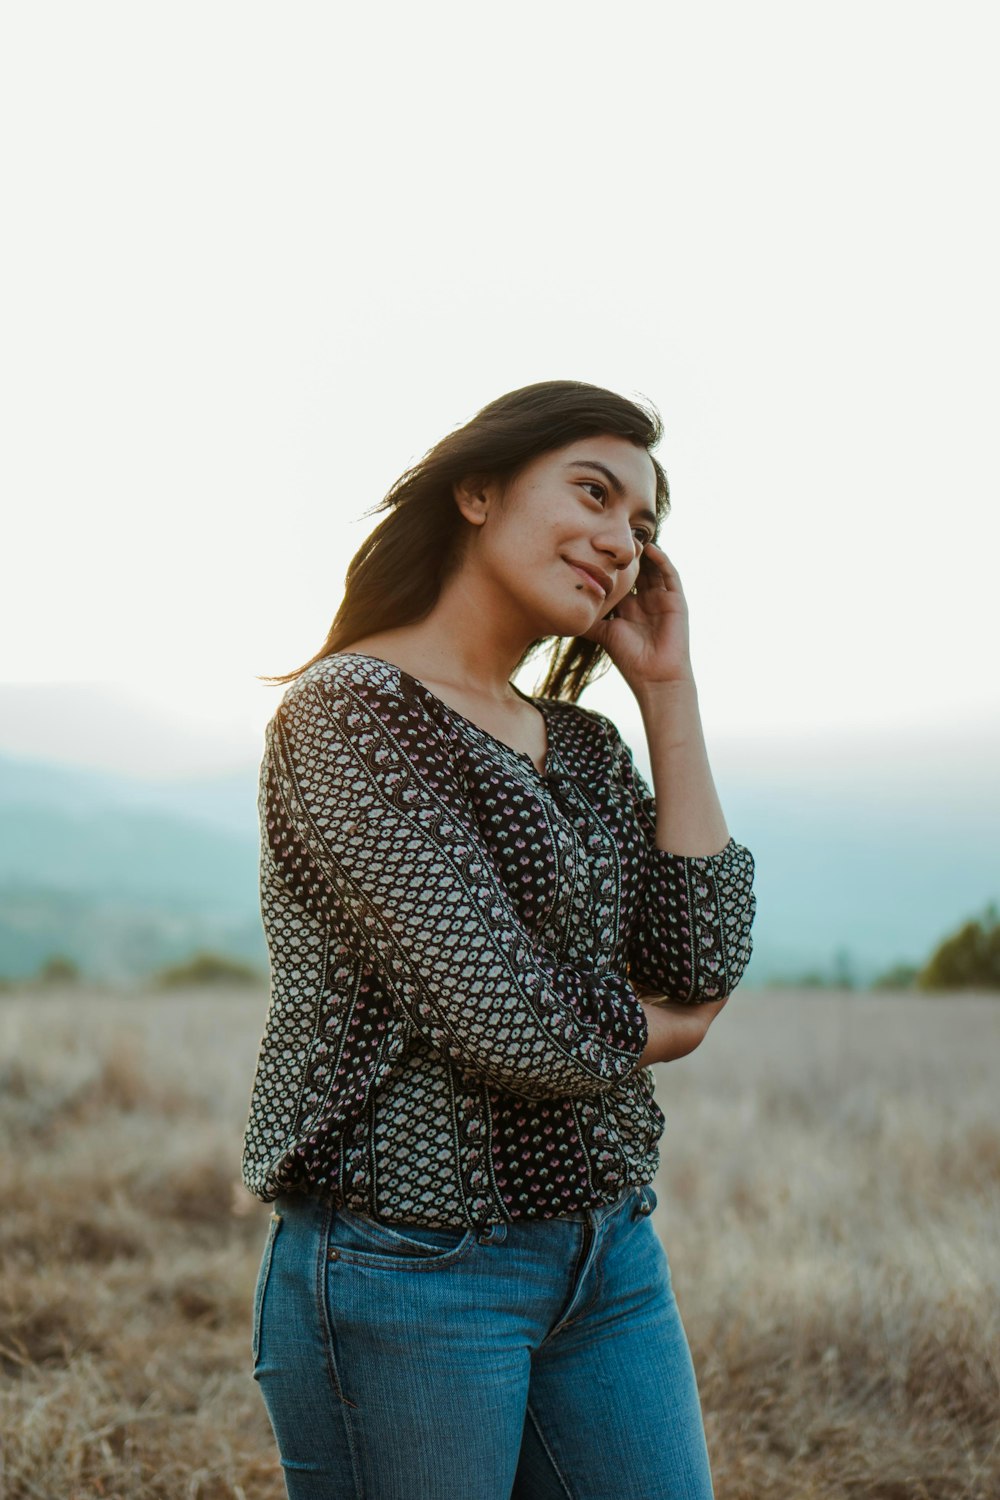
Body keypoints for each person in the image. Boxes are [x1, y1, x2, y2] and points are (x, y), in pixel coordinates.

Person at [241, 379, 757, 1499]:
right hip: (406, 1268)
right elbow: (506, 1015)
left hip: (607, 1250)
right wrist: (665, 1036)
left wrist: (667, 691)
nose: (620, 541)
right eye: (594, 491)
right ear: (475, 490)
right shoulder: (348, 713)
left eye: (644, 526)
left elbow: (699, 958)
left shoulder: (577, 743)